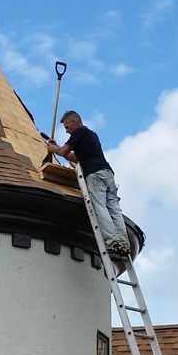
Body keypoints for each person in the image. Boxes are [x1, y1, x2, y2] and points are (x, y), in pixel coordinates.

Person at [46, 110, 131, 261]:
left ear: (75, 122)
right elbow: (74, 156)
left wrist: (54, 149)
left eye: (67, 127)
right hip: (108, 174)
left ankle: (112, 241)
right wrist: (58, 148)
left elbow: (64, 151)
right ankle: (123, 242)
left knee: (99, 206)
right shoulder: (90, 135)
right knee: (114, 209)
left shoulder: (78, 133)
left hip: (95, 174)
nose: (66, 131)